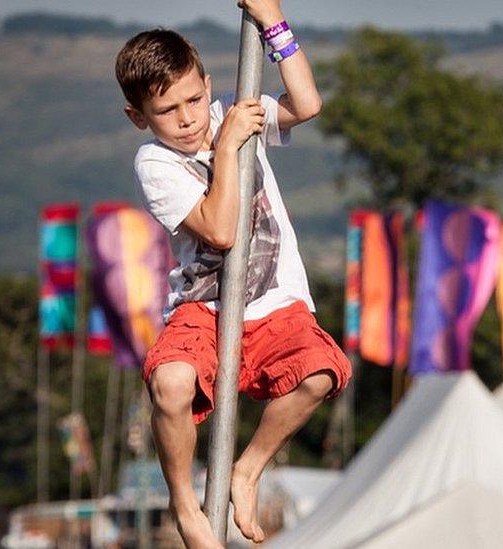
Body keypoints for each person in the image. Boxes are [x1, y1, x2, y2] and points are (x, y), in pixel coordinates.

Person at [114, 1, 351, 546]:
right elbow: (219, 231)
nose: (188, 118)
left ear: (208, 85)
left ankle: (246, 469)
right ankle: (185, 504)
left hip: (274, 302)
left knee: (320, 373)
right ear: (139, 118)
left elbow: (307, 104)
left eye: (195, 99)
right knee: (170, 384)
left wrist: (274, 23)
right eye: (168, 109)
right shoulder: (156, 163)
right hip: (204, 306)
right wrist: (227, 147)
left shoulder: (231, 116)